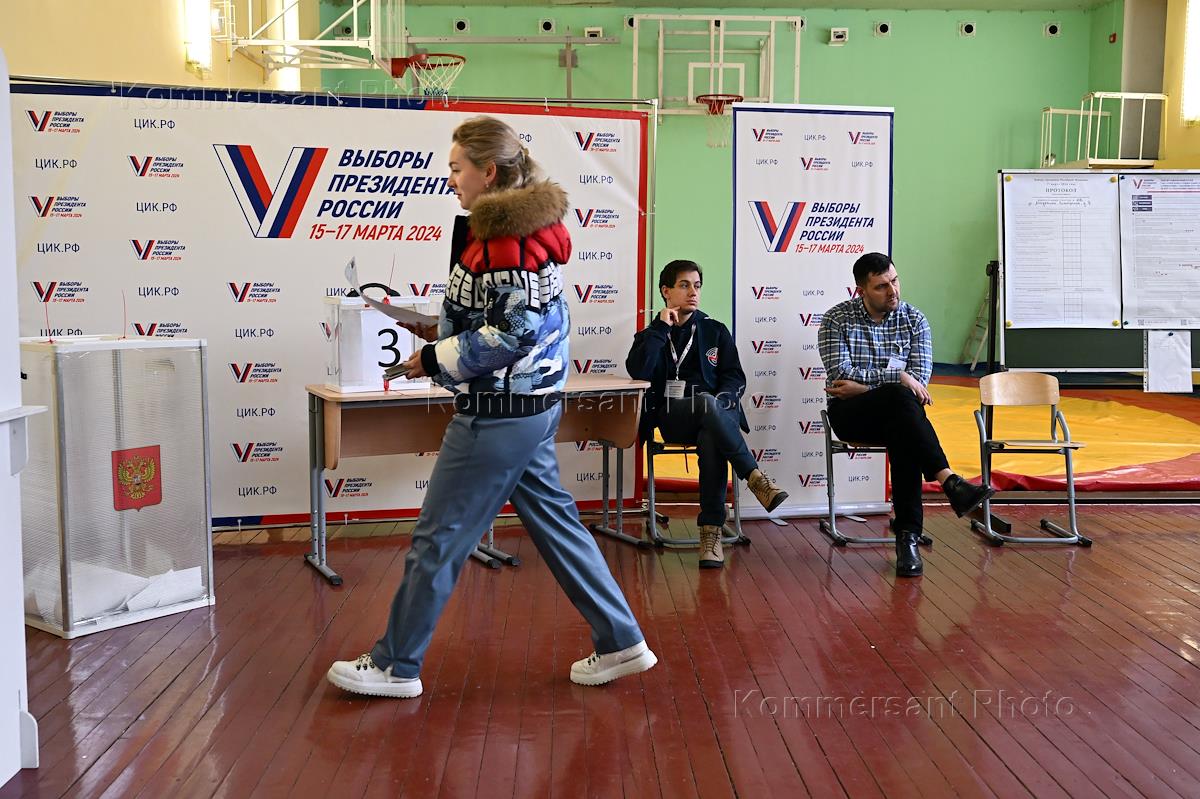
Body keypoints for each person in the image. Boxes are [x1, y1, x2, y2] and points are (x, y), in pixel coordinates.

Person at [328, 116, 657, 697]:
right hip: (529, 407)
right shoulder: (517, 232)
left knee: (439, 537)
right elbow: (507, 319)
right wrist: (437, 330)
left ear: (488, 172)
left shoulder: (505, 242)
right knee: (558, 527)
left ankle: (395, 665)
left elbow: (514, 333)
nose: (450, 178)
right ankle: (622, 640)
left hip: (499, 413)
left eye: (456, 168)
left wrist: (434, 358)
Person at [817, 252, 994, 577]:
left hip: (899, 415)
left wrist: (869, 385)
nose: (893, 291)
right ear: (861, 291)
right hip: (851, 415)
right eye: (882, 286)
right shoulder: (836, 319)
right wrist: (897, 377)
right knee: (901, 402)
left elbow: (919, 383)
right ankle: (948, 482)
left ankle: (908, 538)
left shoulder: (914, 320)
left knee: (903, 428)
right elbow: (841, 376)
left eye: (895, 281)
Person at [626, 259, 788, 569]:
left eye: (697, 286)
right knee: (705, 403)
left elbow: (734, 377)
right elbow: (639, 372)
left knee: (711, 432)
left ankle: (710, 534)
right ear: (666, 291)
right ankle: (754, 476)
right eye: (684, 285)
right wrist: (661, 328)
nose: (693, 292)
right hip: (672, 416)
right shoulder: (651, 334)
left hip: (715, 417)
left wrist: (721, 402)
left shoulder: (715, 330)